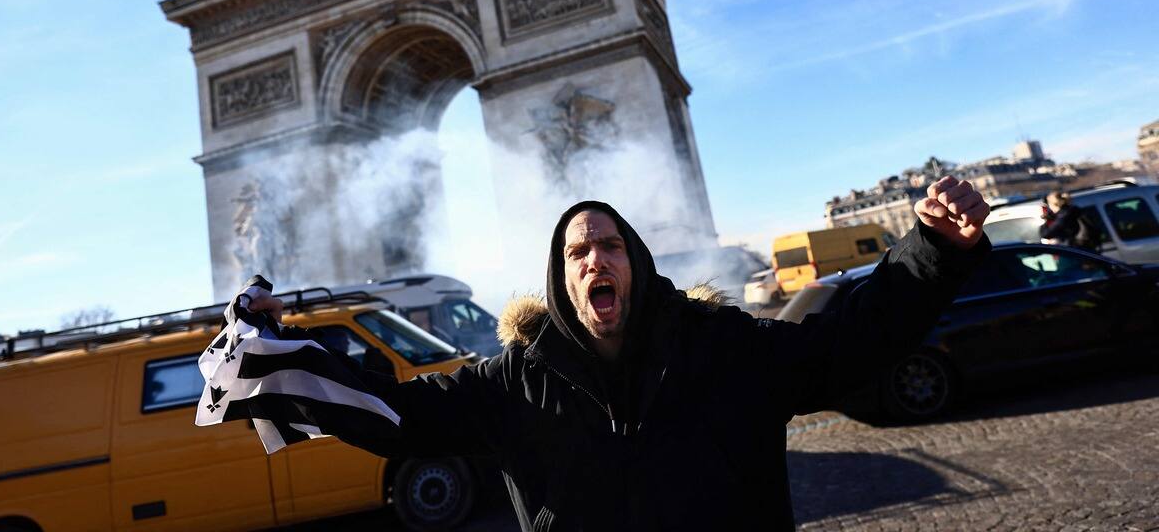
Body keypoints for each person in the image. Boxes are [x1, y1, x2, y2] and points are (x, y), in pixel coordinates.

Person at [246, 175, 990, 531]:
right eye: (577, 252)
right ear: (559, 277)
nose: (594, 260)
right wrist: (283, 354)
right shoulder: (513, 385)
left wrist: (933, 250)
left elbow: (846, 345)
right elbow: (395, 414)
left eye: (609, 245)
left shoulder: (722, 346)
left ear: (634, 258)